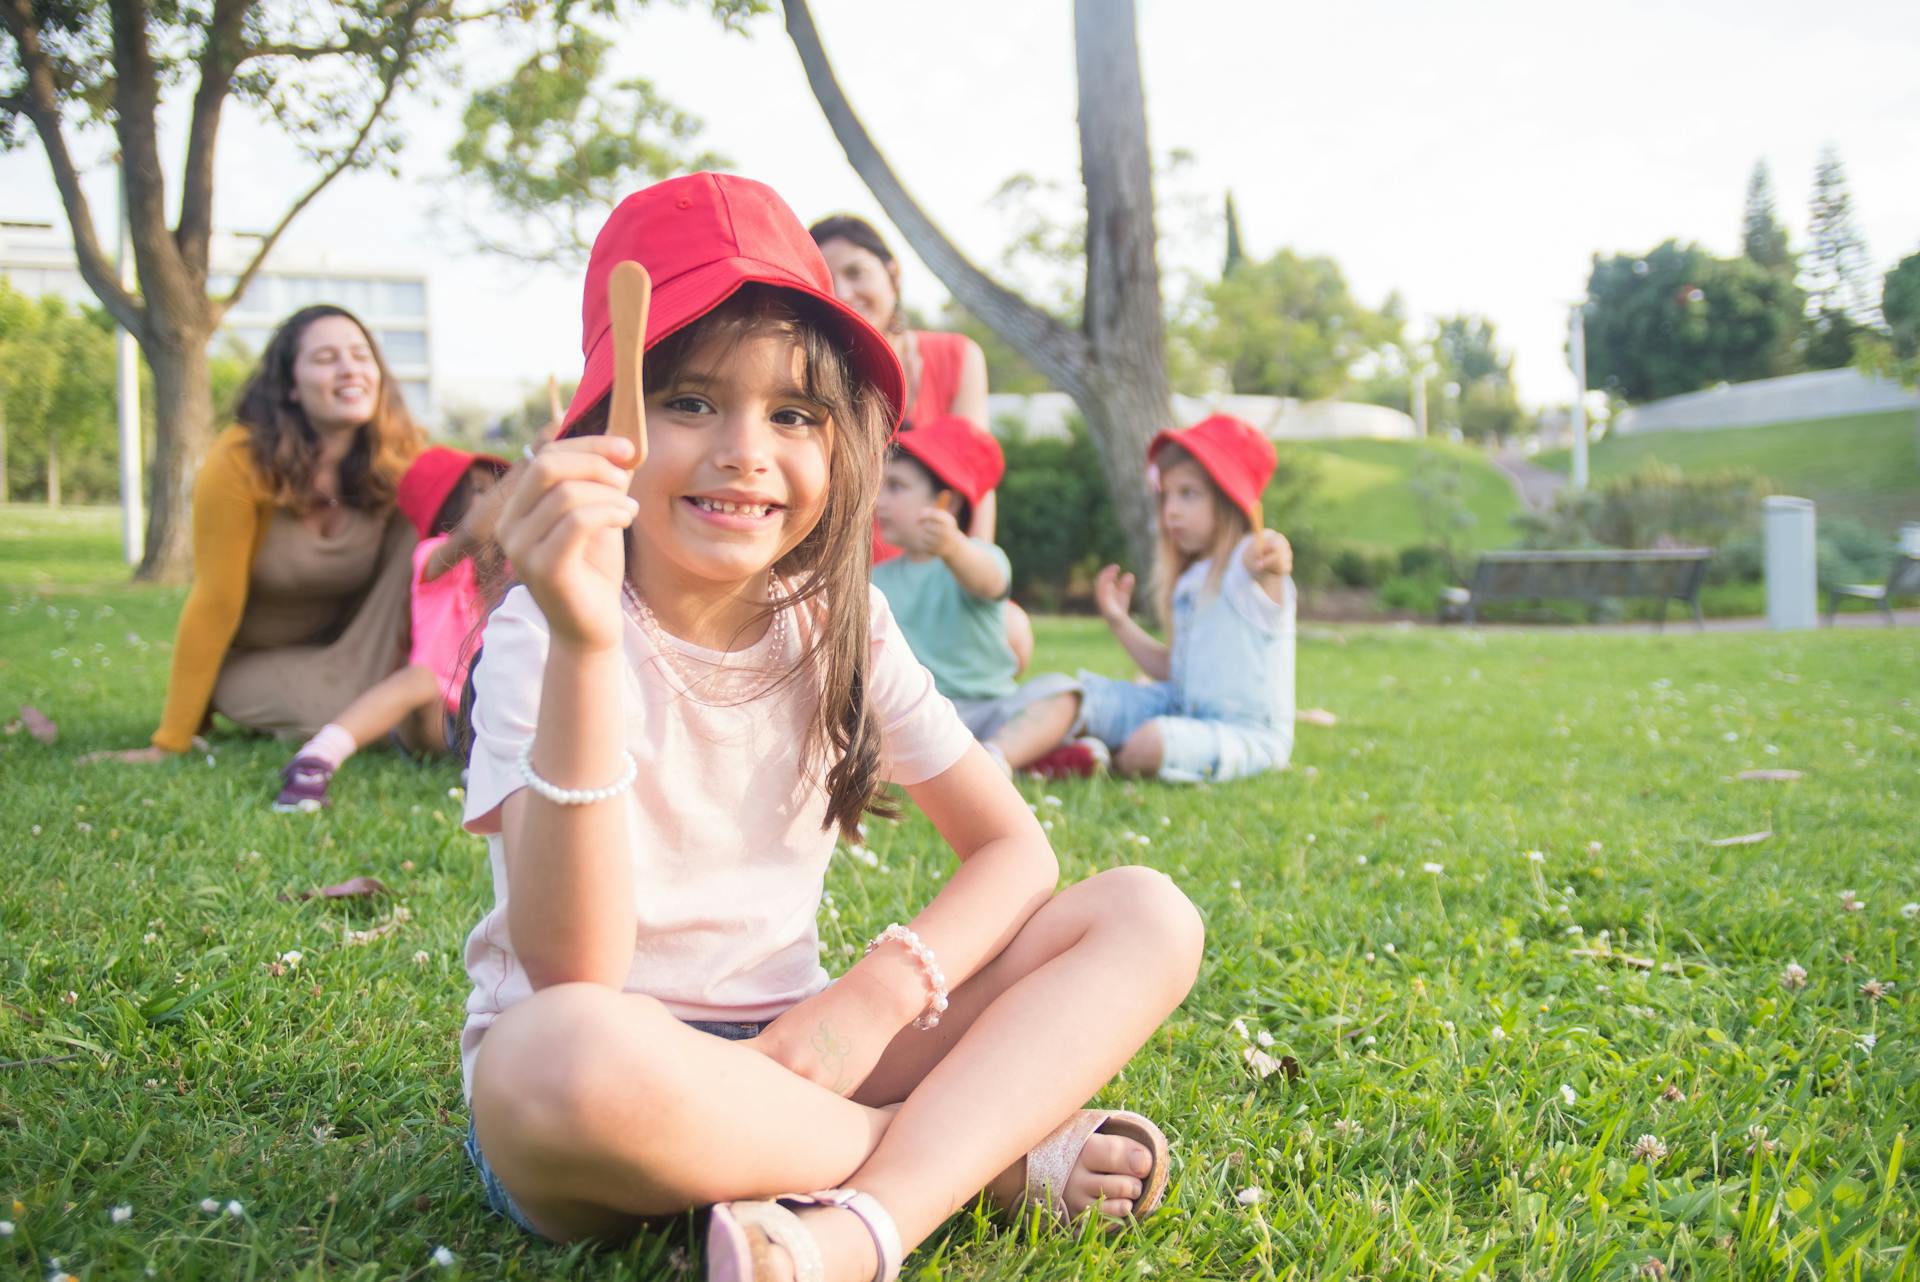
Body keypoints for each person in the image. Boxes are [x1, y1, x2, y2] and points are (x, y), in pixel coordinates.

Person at [459, 173, 1203, 1282]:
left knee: (1145, 913)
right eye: (691, 402)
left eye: (794, 414)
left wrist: (872, 999)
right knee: (548, 1055)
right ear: (606, 425)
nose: (745, 450)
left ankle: (854, 1232)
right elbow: (574, 967)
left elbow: (1016, 852)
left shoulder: (837, 620)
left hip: (813, 1045)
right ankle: (973, 1157)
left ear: (842, 440)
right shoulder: (546, 628)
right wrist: (582, 646)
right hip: (618, 1077)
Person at [81, 306, 425, 765]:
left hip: (361, 647)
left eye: (361, 356)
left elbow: (473, 514)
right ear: (290, 385)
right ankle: (388, 711)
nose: (350, 369)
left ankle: (429, 687)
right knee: (373, 716)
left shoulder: (399, 455)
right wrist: (171, 742)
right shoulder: (240, 460)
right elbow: (214, 601)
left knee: (442, 503)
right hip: (260, 659)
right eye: (326, 358)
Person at [988, 414, 1299, 785]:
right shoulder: (1193, 577)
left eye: (1189, 494)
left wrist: (1274, 555)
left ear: (1228, 499)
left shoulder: (1246, 563)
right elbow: (1174, 668)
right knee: (1075, 695)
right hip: (1177, 707)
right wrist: (1119, 620)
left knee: (1149, 743)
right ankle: (992, 761)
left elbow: (1268, 555)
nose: (1172, 510)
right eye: (1166, 495)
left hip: (1246, 734)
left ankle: (1083, 754)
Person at [808, 213, 1035, 672]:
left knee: (1012, 633)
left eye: (856, 272)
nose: (845, 291)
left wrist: (966, 574)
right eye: (828, 281)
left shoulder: (956, 355)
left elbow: (975, 477)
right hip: (854, 576)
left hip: (938, 563)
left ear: (893, 274)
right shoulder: (814, 372)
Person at [271, 445, 509, 811]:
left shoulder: (511, 573)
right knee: (420, 679)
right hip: (433, 718)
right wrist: (535, 457)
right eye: (480, 489)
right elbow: (473, 534)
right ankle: (316, 759)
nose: (498, 498)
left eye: (500, 486)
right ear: (446, 507)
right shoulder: (433, 557)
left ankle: (486, 768)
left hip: (489, 717)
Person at [870, 415, 1076, 775]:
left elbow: (989, 583)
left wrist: (952, 547)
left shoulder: (977, 558)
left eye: (896, 487)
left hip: (990, 709)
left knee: (1062, 691)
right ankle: (1042, 756)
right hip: (921, 717)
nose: (879, 500)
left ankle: (997, 756)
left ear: (945, 504)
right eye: (880, 485)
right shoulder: (877, 580)